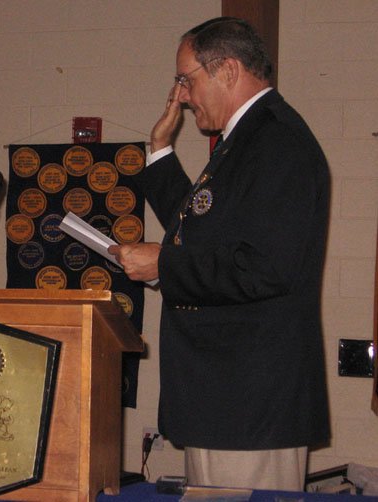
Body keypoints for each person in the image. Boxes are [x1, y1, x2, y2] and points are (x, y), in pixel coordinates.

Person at [108, 17, 330, 491]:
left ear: (227, 70)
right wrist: (160, 151)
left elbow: (265, 268)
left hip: (251, 401)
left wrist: (161, 264)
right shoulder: (246, 140)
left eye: (187, 79)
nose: (182, 95)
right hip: (226, 396)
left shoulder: (277, 141)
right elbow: (205, 233)